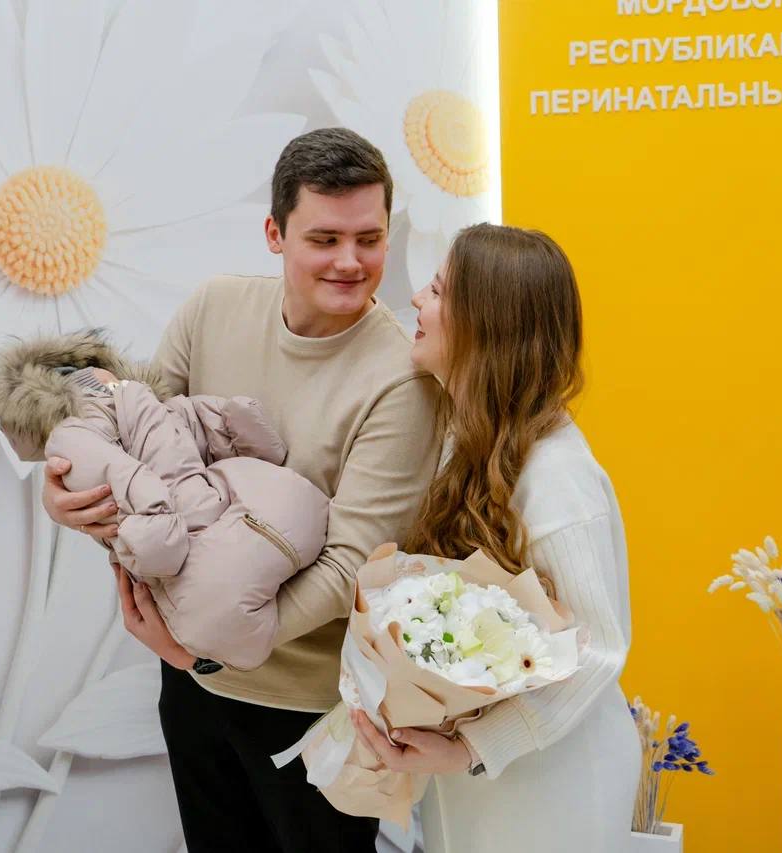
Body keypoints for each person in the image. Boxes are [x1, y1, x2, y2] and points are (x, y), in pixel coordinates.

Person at [42, 128, 441, 851]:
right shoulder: (212, 310)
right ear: (274, 234)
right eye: (324, 239)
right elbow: (136, 439)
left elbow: (353, 565)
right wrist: (63, 499)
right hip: (192, 686)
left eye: (369, 239)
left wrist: (208, 644)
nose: (350, 262)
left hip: (312, 709)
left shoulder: (402, 380)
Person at [350, 223, 639, 852]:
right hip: (482, 782)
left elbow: (596, 652)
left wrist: (473, 747)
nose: (417, 300)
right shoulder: (466, 442)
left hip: (555, 786)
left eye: (437, 290)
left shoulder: (555, 476)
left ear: (486, 324)